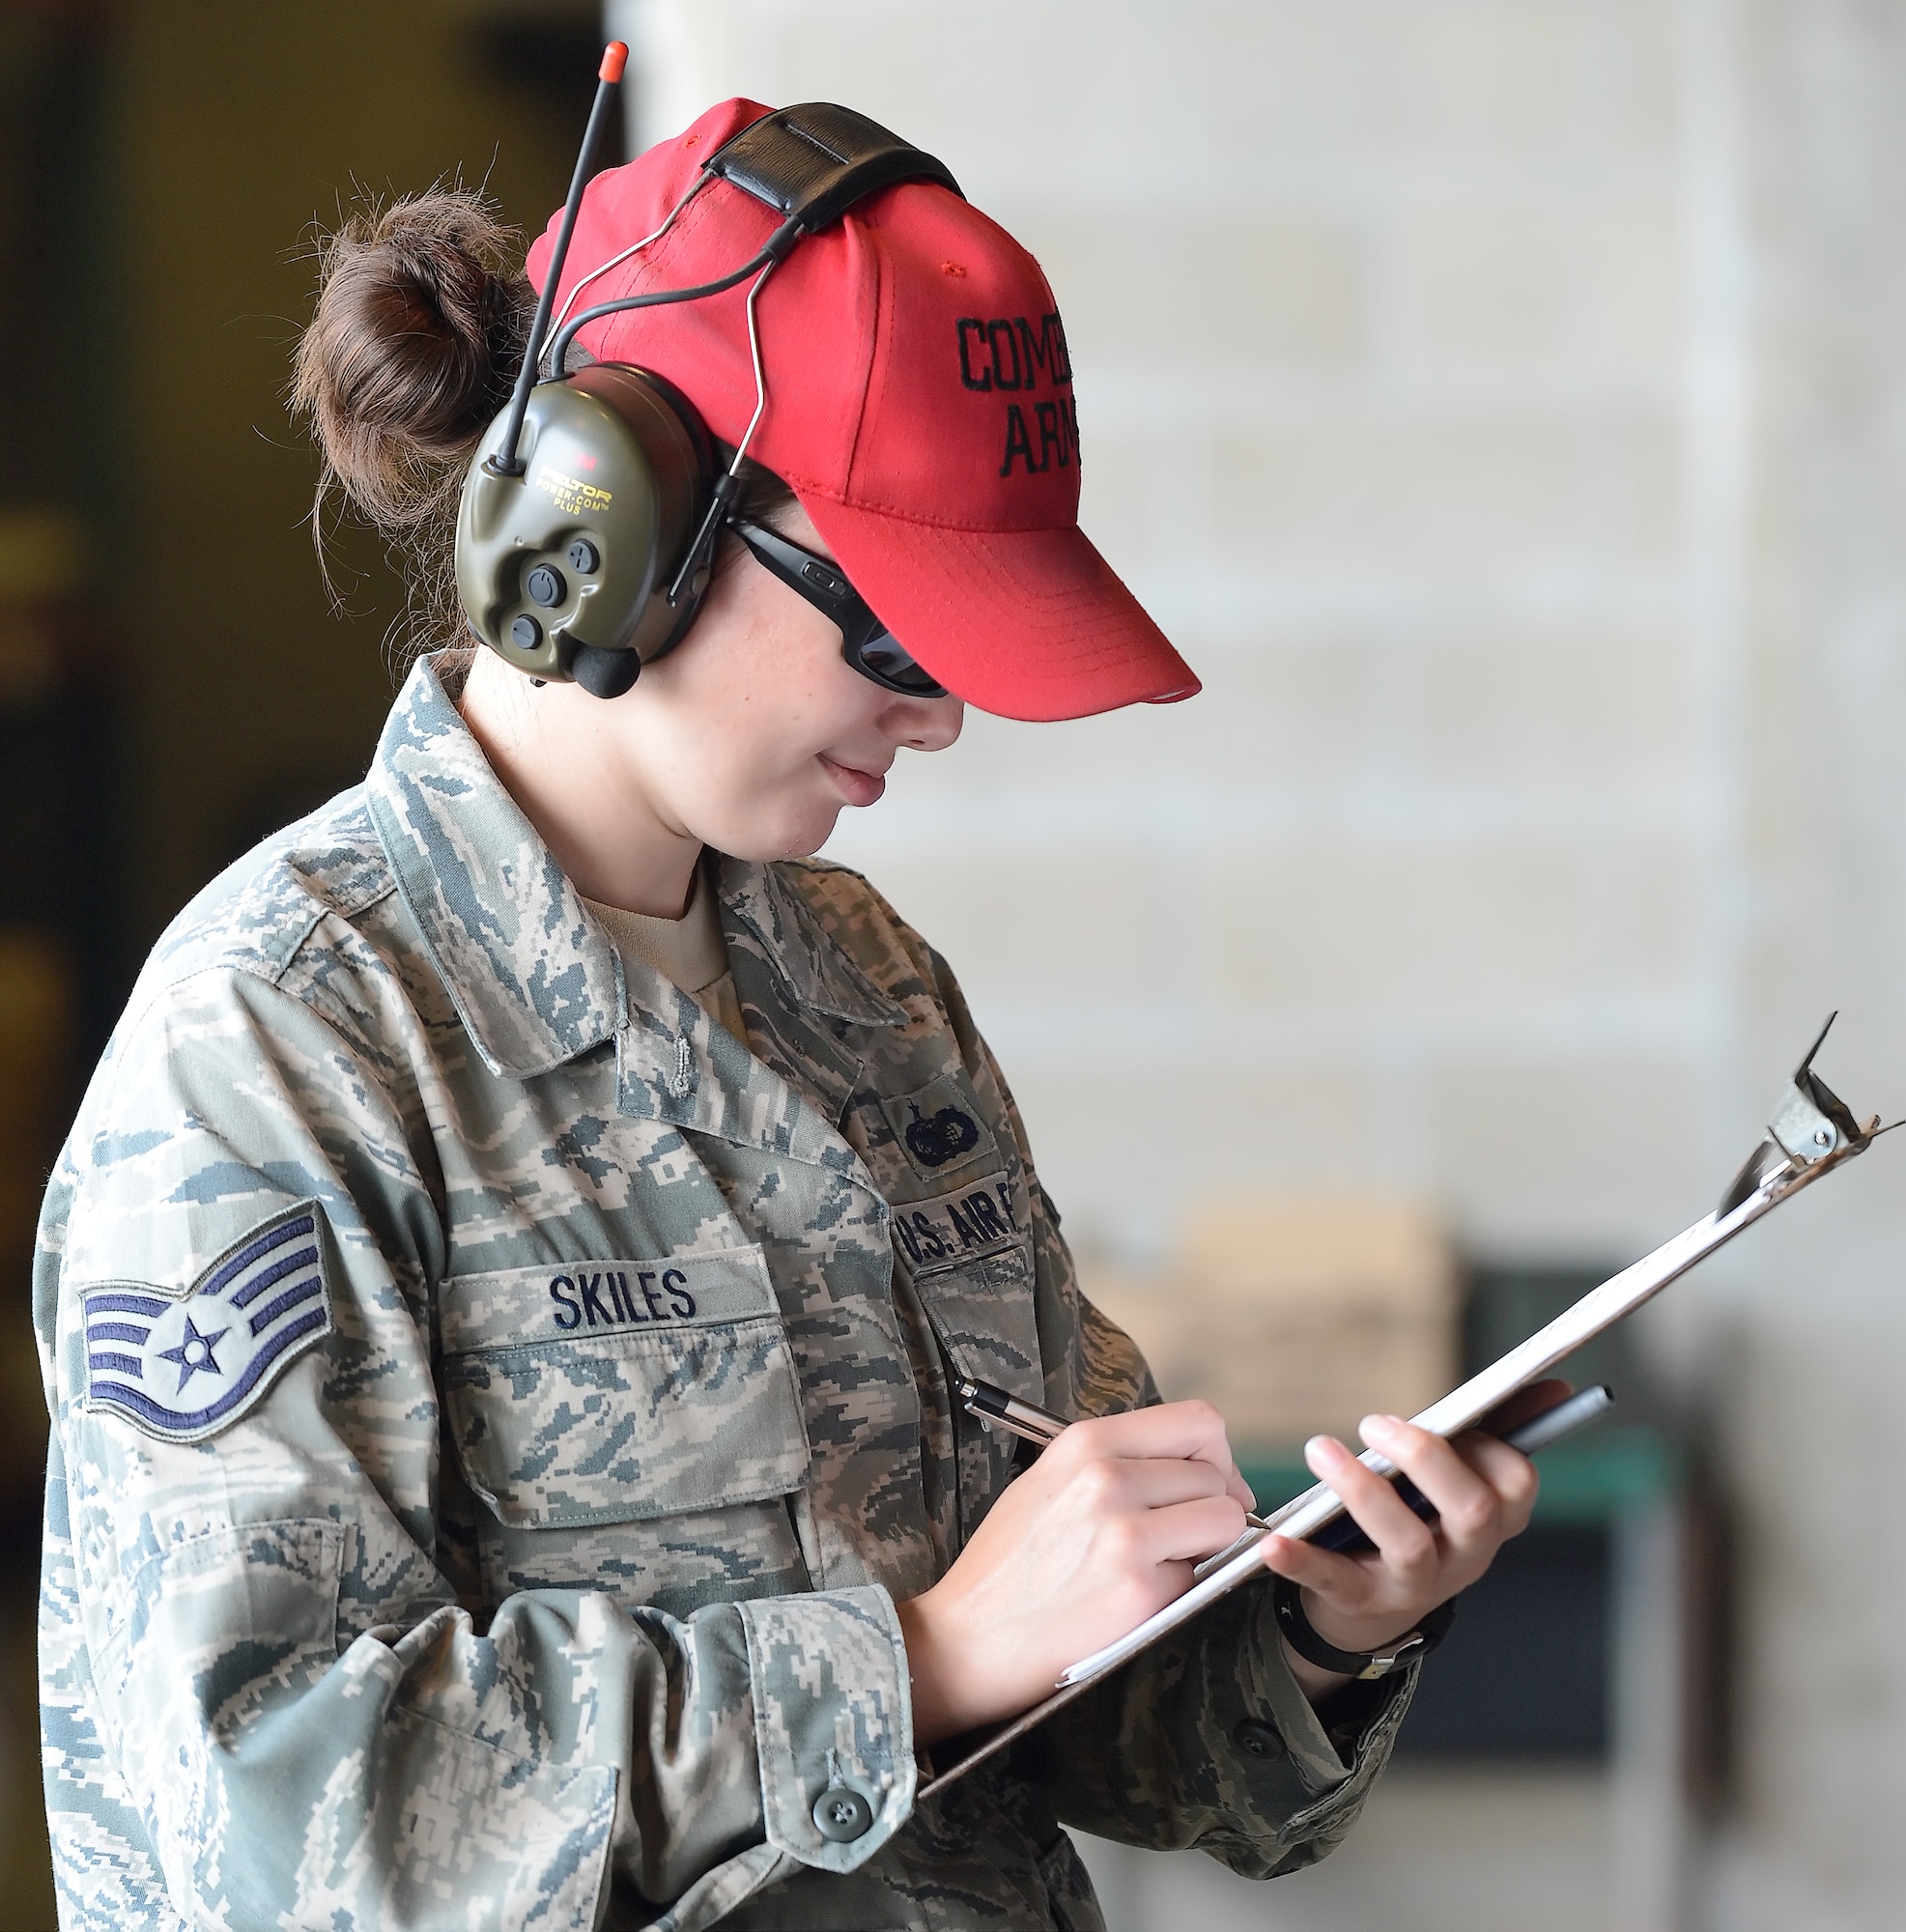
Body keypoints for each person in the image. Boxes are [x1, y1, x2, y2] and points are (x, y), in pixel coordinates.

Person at [36, 94, 1552, 1931]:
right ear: (614, 523)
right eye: (902, 634)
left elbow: (1055, 1699)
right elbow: (276, 1830)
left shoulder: (867, 986)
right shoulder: (281, 1044)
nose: (940, 717)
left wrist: (1314, 1631)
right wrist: (902, 1661)